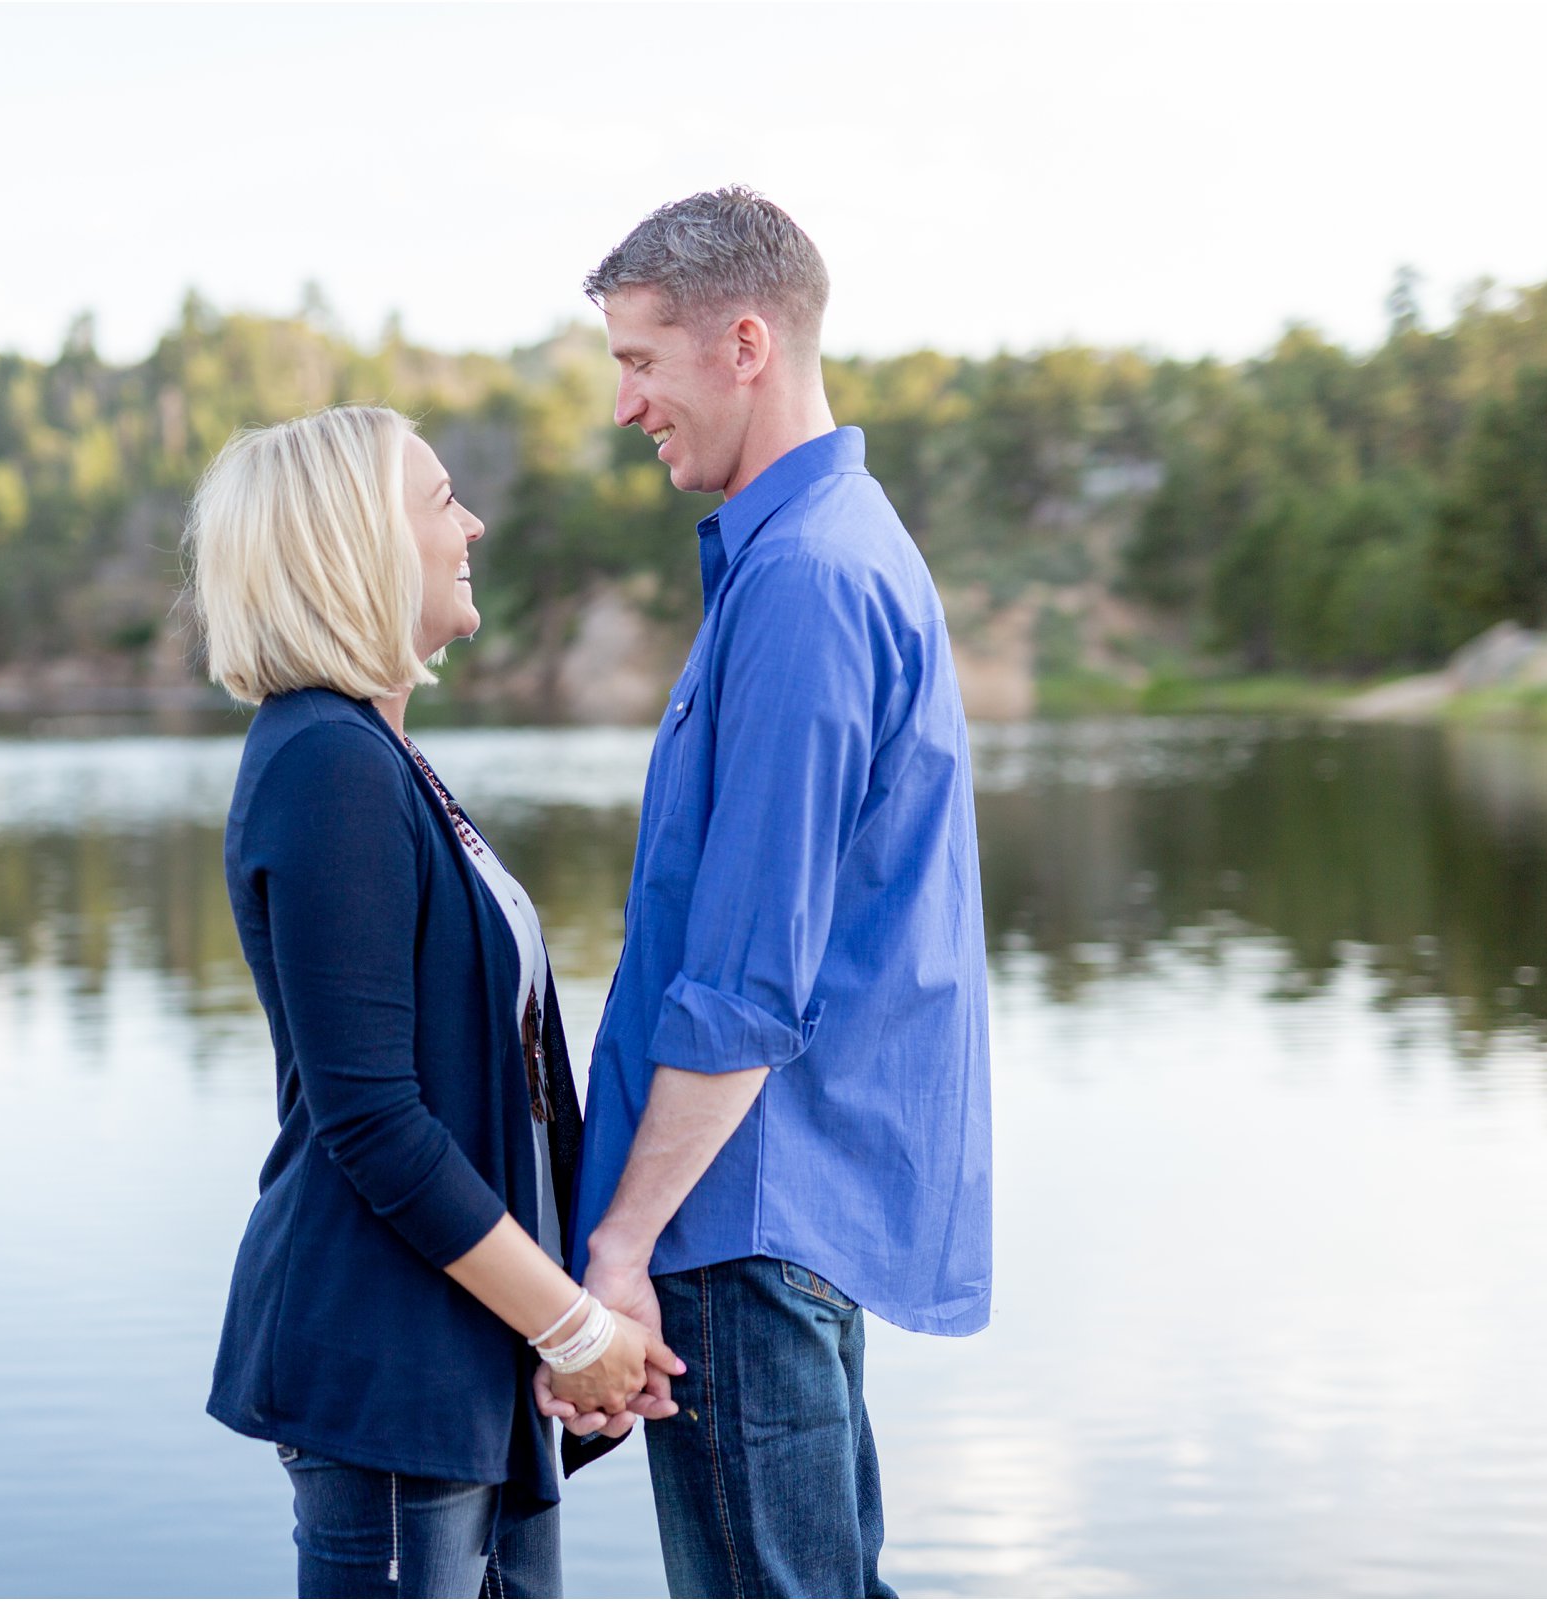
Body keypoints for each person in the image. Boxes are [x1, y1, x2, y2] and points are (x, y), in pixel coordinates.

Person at [539, 188, 994, 1598]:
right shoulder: (824, 550)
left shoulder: (802, 579)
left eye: (636, 361)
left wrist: (613, 1251)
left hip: (742, 1224)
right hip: (780, 1214)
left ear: (743, 343)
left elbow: (743, 985)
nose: (625, 406)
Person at [187, 404, 686, 1599]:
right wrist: (571, 1326)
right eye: (438, 499)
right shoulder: (324, 764)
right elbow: (375, 1121)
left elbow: (488, 1090)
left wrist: (559, 1326)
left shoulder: (377, 755)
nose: (470, 523)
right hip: (390, 1364)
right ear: (350, 544)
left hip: (461, 1359)